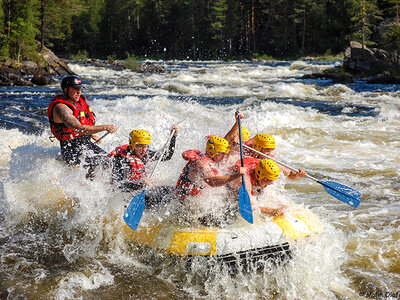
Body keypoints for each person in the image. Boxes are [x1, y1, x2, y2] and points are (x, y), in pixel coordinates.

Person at [47, 75, 118, 178]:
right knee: (94, 164)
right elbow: (77, 127)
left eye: (80, 89)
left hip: (85, 144)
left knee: (109, 160)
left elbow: (84, 121)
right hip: (71, 149)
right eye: (75, 89)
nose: (79, 92)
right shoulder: (61, 108)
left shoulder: (80, 101)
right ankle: (88, 189)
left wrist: (92, 135)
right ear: (66, 90)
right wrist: (105, 127)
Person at [110, 126, 179, 208]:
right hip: (125, 196)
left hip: (139, 190)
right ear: (132, 145)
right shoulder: (122, 159)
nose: (143, 150)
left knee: (171, 190)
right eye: (140, 146)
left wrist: (173, 137)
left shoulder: (145, 154)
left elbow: (167, 156)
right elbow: (120, 184)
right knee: (155, 198)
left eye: (145, 146)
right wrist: (141, 184)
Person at [175, 136, 246, 202]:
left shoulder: (214, 158)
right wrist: (236, 175)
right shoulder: (202, 163)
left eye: (225, 153)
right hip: (185, 202)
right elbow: (212, 182)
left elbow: (227, 141)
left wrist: (233, 143)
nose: (225, 156)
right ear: (212, 152)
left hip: (198, 197)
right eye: (222, 153)